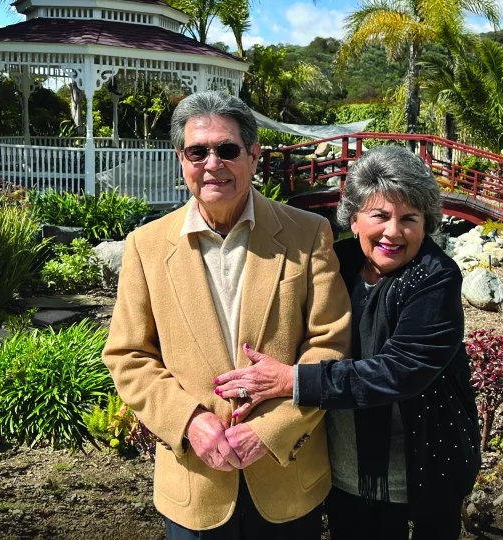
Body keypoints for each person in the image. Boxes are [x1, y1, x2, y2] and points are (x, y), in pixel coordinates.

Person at [101, 91, 351, 539]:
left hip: (287, 478)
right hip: (195, 485)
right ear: (182, 160)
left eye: (228, 149)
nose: (212, 163)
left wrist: (272, 430)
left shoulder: (308, 233)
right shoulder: (145, 245)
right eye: (198, 152)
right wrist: (190, 421)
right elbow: (128, 354)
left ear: (254, 156)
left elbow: (330, 344)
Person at [214, 145, 481, 540]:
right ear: (353, 220)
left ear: (426, 225)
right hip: (342, 472)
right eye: (380, 215)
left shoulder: (434, 277)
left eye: (409, 218)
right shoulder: (335, 264)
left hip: (417, 473)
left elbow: (399, 370)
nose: (393, 231)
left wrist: (294, 381)